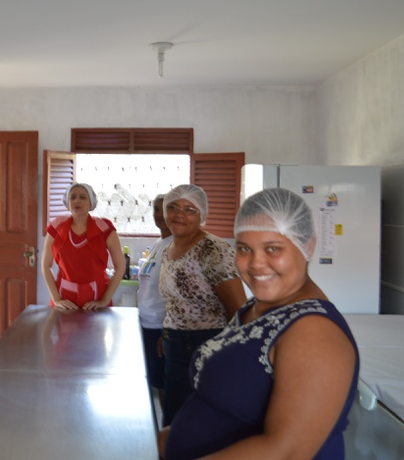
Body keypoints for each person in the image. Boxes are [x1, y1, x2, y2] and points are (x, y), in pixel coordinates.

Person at [160, 187, 359, 459]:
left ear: (308, 246)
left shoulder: (314, 331)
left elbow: (287, 452)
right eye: (244, 248)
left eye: (273, 248)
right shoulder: (256, 307)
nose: (256, 263)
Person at [159, 184, 246, 426]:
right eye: (173, 207)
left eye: (190, 209)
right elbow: (176, 301)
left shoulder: (212, 250)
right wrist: (166, 332)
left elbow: (239, 310)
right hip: (175, 342)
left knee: (194, 421)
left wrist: (232, 358)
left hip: (205, 345)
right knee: (175, 416)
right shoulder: (168, 250)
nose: (179, 214)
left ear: (202, 215)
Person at [41, 183, 126, 311]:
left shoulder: (104, 228)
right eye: (73, 197)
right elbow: (45, 266)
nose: (77, 200)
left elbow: (120, 267)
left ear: (91, 202)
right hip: (65, 300)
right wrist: (56, 299)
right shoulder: (56, 227)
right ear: (67, 202)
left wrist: (104, 300)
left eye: (82, 197)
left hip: (96, 300)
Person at [136, 194, 169, 426]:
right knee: (156, 381)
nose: (159, 215)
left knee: (165, 384)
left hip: (160, 325)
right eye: (156, 209)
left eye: (165, 209)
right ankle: (159, 431)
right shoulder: (160, 243)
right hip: (147, 322)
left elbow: (176, 294)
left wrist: (166, 330)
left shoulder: (174, 245)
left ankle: (167, 432)